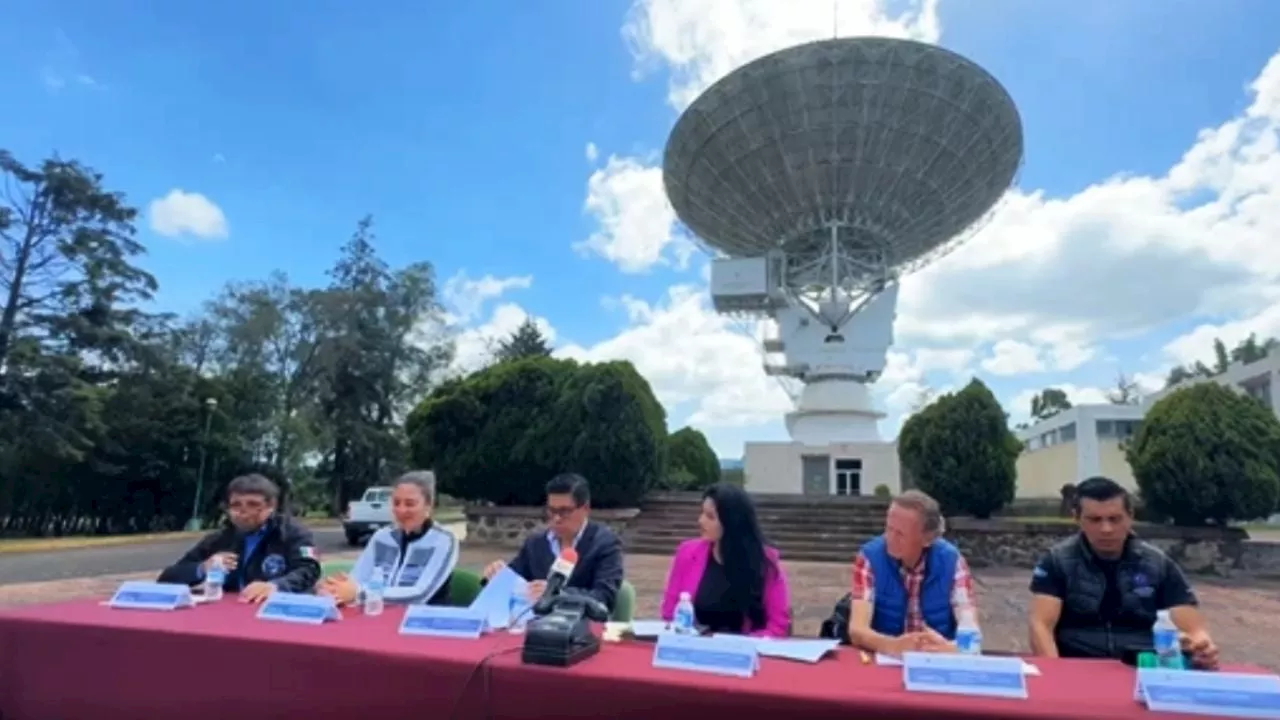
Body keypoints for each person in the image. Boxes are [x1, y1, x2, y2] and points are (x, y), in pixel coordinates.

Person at [1027, 476, 1219, 668]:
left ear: (1130, 516)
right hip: (1078, 666)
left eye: (1115, 519)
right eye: (1094, 520)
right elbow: (1041, 626)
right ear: (1077, 518)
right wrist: (1056, 674)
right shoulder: (1056, 562)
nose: (1106, 529)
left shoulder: (1158, 564)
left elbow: (1192, 628)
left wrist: (1202, 647)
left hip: (1143, 667)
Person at [847, 489, 976, 654]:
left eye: (900, 534)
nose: (889, 539)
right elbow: (857, 630)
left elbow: (972, 636)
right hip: (884, 660)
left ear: (927, 538)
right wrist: (892, 645)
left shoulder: (952, 562)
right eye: (888, 528)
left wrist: (948, 648)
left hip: (936, 663)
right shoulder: (869, 558)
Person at [158, 474, 320, 603]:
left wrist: (275, 587)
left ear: (271, 507)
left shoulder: (292, 534)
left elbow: (308, 570)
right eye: (236, 505)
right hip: (230, 613)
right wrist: (202, 568)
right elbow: (167, 578)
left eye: (252, 504)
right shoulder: (219, 539)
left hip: (276, 610)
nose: (243, 512)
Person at [659, 483, 791, 637]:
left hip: (745, 651)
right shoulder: (687, 553)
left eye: (710, 517)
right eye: (702, 513)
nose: (701, 521)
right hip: (695, 647)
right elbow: (669, 613)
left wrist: (741, 645)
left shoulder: (765, 562)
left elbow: (777, 625)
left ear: (731, 522)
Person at [481, 473, 624, 613]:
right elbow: (514, 580)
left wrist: (557, 594)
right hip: (534, 625)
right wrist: (495, 577)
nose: (556, 518)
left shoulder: (605, 544)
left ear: (585, 509)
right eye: (551, 510)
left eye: (564, 511)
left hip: (582, 627)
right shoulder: (535, 543)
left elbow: (605, 598)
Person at [320, 471, 459, 607]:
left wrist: (359, 593)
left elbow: (421, 594)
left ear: (428, 506)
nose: (401, 510)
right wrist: (336, 589)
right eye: (396, 503)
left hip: (427, 621)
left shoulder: (444, 540)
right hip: (380, 616)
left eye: (410, 504)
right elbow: (357, 578)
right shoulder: (381, 537)